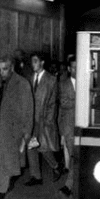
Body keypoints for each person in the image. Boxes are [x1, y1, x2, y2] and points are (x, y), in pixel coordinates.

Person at [0, 55, 33, 199]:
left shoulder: (22, 84)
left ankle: (1, 188)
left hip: (12, 127)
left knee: (6, 157)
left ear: (12, 68)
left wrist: (27, 132)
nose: (1, 72)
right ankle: (6, 179)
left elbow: (28, 109)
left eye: (4, 69)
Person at [25, 51, 60, 186]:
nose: (32, 64)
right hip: (30, 118)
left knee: (43, 147)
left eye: (35, 61)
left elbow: (53, 103)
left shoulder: (51, 80)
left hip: (43, 119)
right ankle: (36, 176)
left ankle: (56, 166)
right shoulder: (29, 78)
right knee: (30, 146)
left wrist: (48, 121)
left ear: (42, 62)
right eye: (32, 61)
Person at [58, 55, 77, 197]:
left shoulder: (87, 81)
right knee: (72, 156)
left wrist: (73, 100)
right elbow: (64, 103)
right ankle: (69, 185)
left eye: (78, 66)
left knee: (76, 156)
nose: (76, 69)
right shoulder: (63, 84)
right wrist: (80, 100)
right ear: (69, 69)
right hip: (69, 125)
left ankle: (69, 185)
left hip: (82, 125)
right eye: (74, 67)